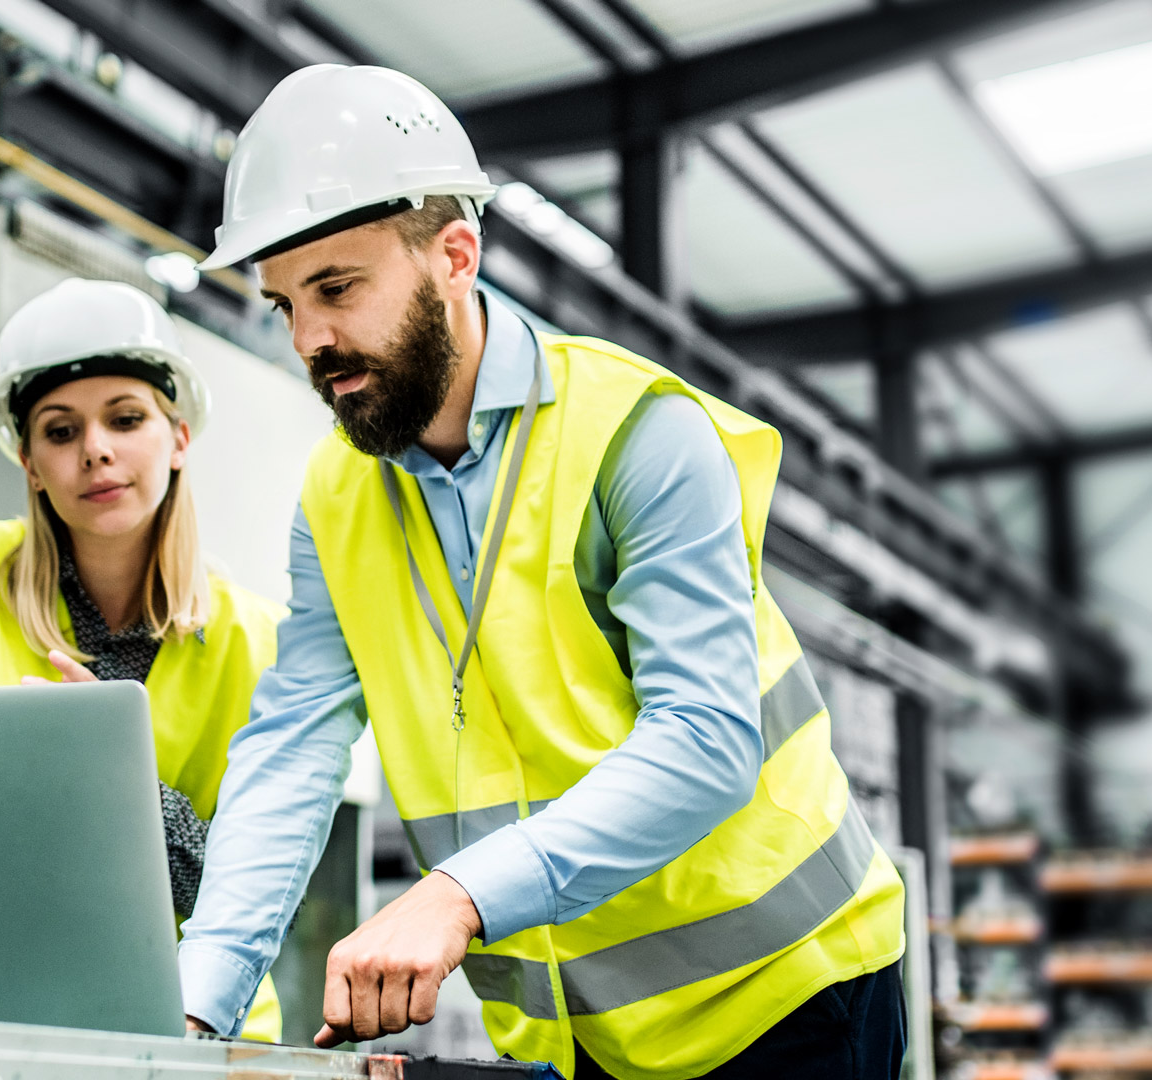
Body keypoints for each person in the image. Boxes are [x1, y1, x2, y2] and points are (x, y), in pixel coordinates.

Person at [175, 66, 907, 1079]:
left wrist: (458, 896)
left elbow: (705, 740)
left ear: (455, 257)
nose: (310, 342)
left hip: (790, 998)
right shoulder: (336, 498)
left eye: (337, 290)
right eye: (284, 303)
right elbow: (294, 744)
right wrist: (197, 1004)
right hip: (588, 1037)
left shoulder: (637, 437)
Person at [0, 278, 283, 1042]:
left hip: (195, 1030)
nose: (96, 449)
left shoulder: (257, 639)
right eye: (60, 432)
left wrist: (108, 771)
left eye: (126, 419)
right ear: (29, 463)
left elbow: (241, 887)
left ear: (178, 437)